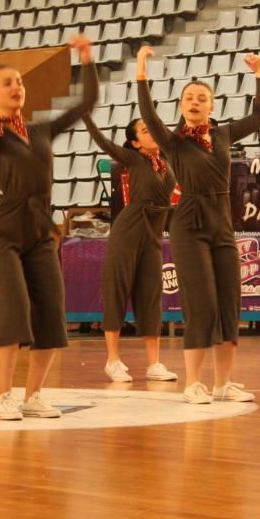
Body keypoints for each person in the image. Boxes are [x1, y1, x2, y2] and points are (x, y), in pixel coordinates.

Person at [0, 36, 97, 420]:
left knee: (50, 315)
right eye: (7, 83)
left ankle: (34, 395)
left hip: (40, 234)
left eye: (20, 82)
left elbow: (86, 103)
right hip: (4, 234)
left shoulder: (42, 130)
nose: (17, 87)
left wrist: (87, 59)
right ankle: (2, 395)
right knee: (13, 311)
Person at [135, 45, 260, 404]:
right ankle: (193, 382)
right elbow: (148, 115)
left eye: (201, 98)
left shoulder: (223, 135)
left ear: (211, 106)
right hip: (189, 223)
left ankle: (223, 383)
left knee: (229, 304)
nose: (195, 102)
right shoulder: (173, 141)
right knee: (201, 303)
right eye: (189, 98)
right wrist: (142, 73)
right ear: (181, 107)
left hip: (222, 222)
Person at [82, 114, 178, 383]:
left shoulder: (166, 161)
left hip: (154, 233)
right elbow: (102, 141)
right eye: (146, 131)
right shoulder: (133, 158)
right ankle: (113, 361)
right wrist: (87, 118)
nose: (153, 134)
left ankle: (154, 364)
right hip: (129, 229)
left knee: (151, 294)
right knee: (118, 289)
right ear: (135, 143)